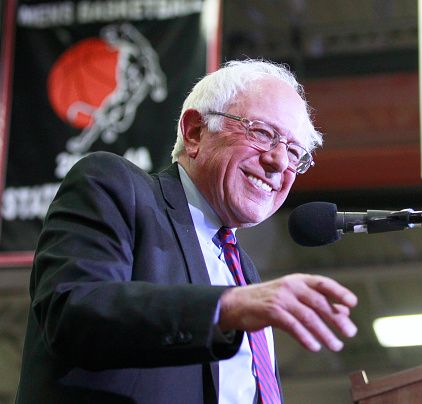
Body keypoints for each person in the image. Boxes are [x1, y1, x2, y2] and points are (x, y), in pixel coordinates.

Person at [15, 60, 358, 404]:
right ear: (194, 132)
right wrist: (225, 307)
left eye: (295, 152)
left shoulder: (243, 272)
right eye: (263, 133)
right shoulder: (114, 186)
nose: (280, 163)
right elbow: (73, 313)